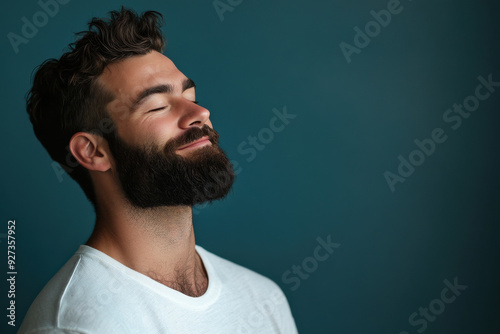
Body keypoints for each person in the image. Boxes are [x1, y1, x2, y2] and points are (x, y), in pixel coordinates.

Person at [19, 7, 297, 334]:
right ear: (93, 151)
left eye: (189, 95)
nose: (200, 112)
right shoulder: (80, 325)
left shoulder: (262, 297)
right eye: (157, 106)